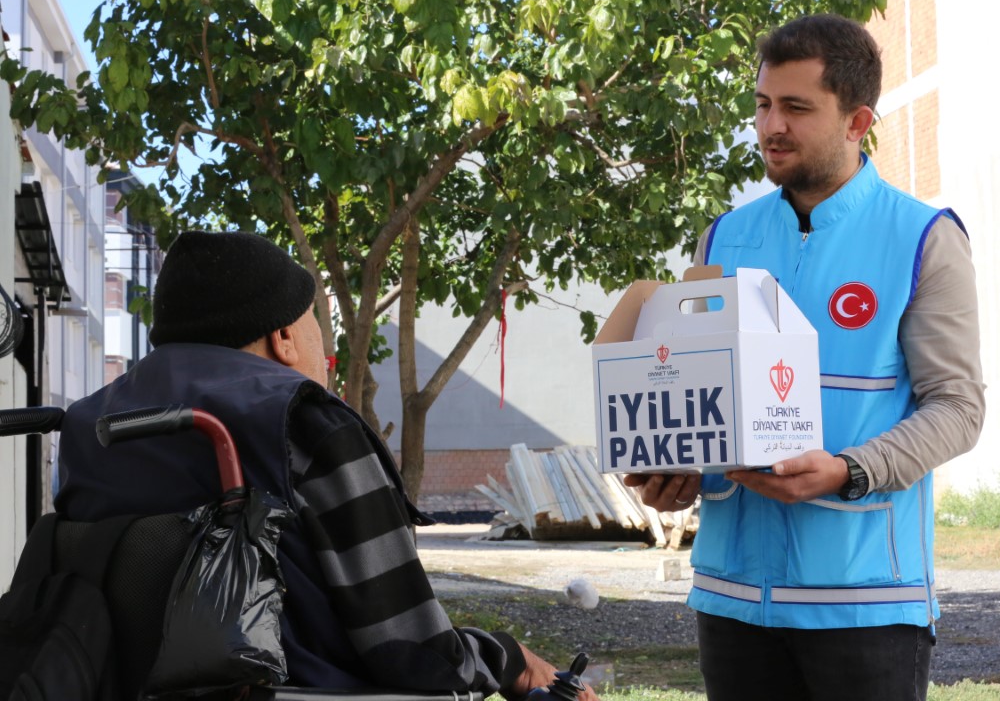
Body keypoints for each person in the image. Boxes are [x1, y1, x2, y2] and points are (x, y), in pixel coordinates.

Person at [55, 230, 597, 701]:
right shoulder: (304, 421)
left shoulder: (89, 425)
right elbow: (413, 652)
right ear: (284, 337)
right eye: (314, 318)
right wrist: (513, 659)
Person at [624, 14, 985, 701]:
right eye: (763, 104)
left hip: (865, 604)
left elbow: (958, 408)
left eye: (795, 107)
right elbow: (704, 396)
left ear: (857, 122)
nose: (771, 126)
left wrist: (849, 471)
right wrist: (677, 466)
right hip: (732, 600)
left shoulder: (922, 237)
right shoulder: (724, 237)